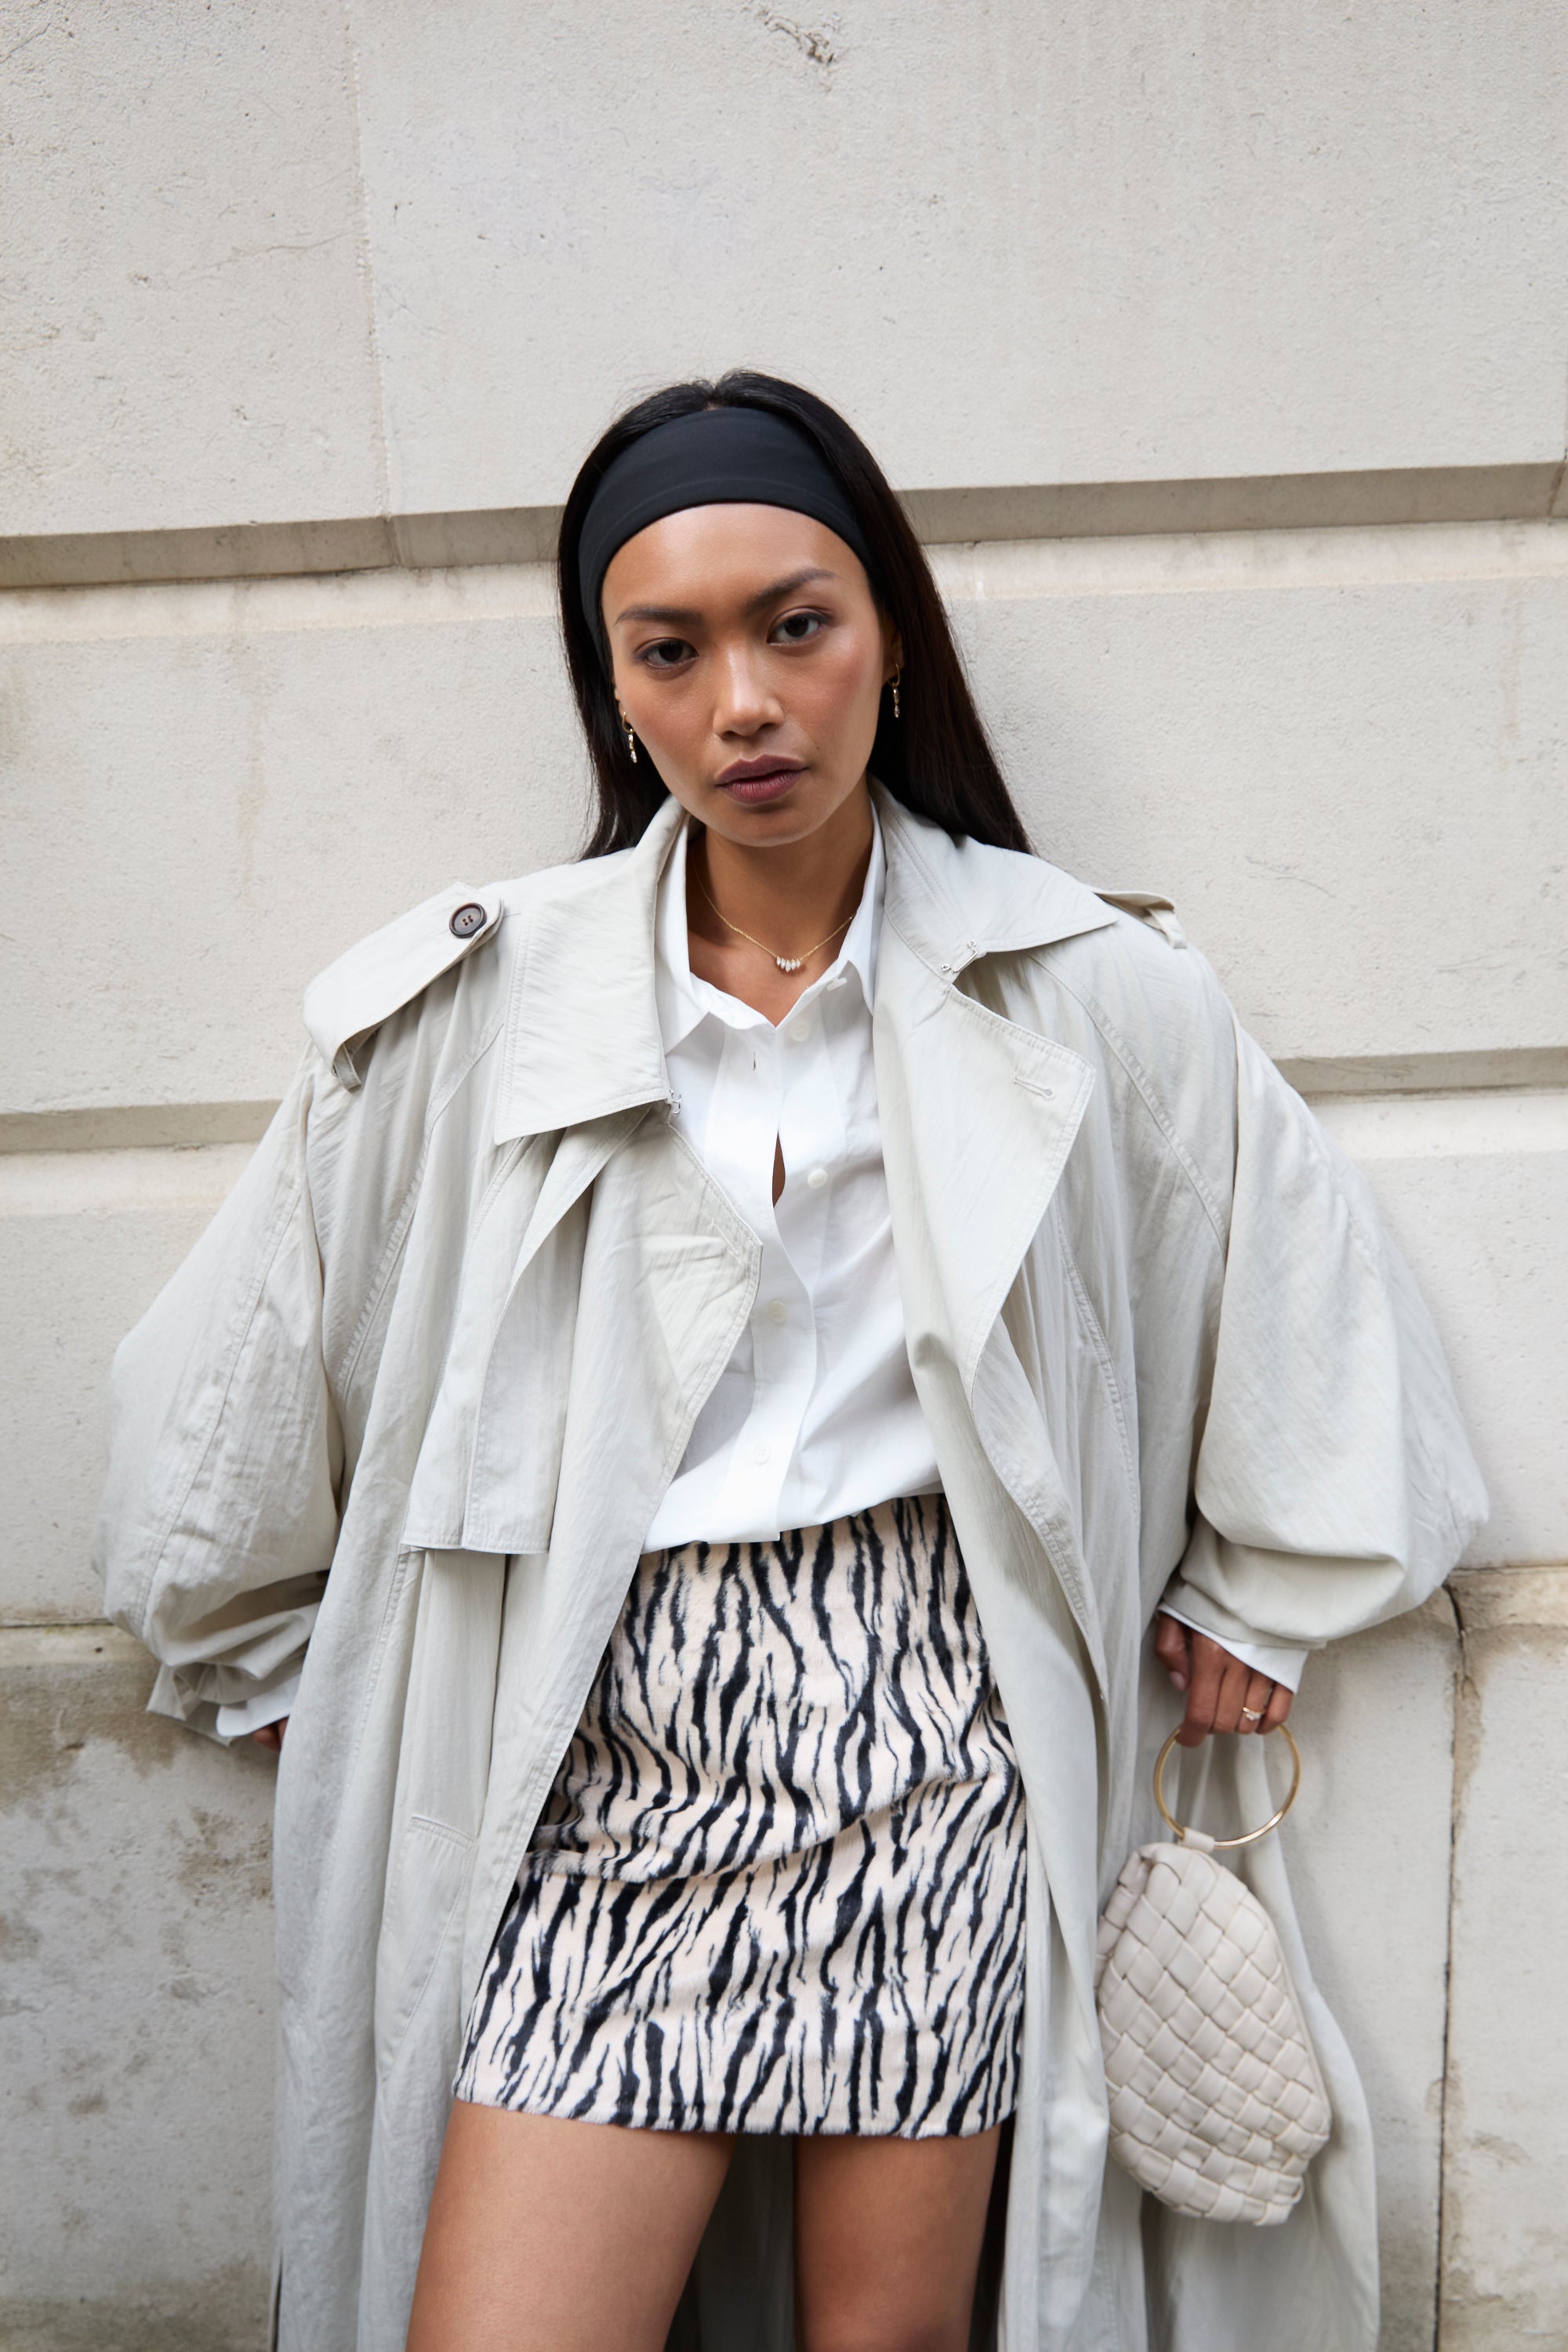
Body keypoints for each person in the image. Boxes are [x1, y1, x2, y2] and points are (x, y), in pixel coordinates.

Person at [96, 372, 1486, 2352]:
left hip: (934, 1730)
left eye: (794, 625)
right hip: (598, 1738)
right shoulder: (486, 1001)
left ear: (887, 637)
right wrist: (267, 1650)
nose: (743, 702)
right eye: (671, 650)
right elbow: (262, 1334)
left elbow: (1280, 1272)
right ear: (615, 689)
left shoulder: (1083, 986)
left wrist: (1264, 1576)